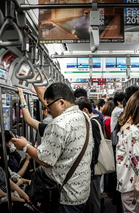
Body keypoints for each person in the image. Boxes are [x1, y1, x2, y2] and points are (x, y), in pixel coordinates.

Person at [11, 83, 94, 213]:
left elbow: (46, 160)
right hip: (81, 190)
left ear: (61, 103)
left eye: (49, 105)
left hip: (64, 195)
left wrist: (26, 146)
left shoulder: (59, 124)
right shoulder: (83, 116)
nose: (48, 110)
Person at [75, 97, 101, 213]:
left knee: (93, 198)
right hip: (92, 167)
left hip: (93, 168)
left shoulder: (92, 123)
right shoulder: (95, 121)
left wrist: (90, 167)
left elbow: (95, 147)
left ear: (85, 111)